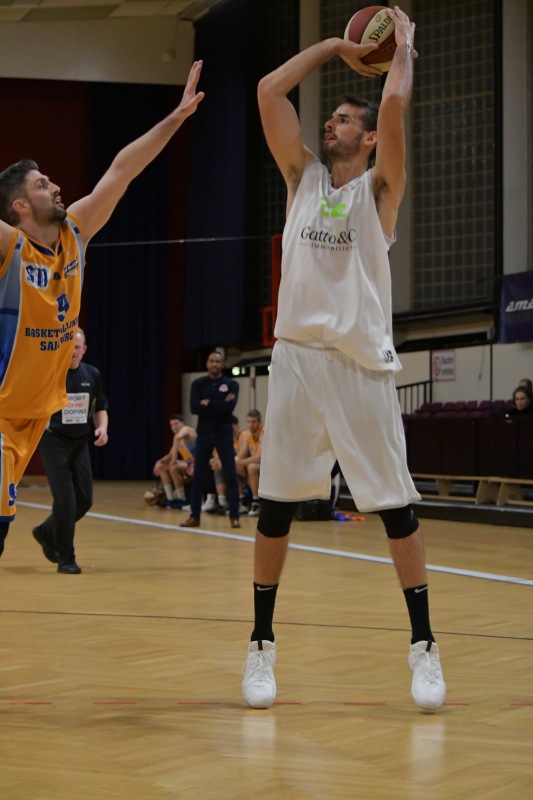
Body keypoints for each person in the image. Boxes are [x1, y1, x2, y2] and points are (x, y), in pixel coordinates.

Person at [241, 7, 446, 712]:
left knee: (395, 510)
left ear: (366, 138)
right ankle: (260, 645)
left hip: (361, 364)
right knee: (274, 507)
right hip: (298, 360)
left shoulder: (380, 189)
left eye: (342, 120)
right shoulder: (301, 176)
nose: (329, 125)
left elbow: (392, 106)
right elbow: (269, 91)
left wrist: (400, 49)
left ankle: (424, 648)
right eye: (327, 119)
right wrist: (336, 44)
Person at [0, 61, 204, 559]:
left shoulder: (76, 231)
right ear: (20, 207)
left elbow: (123, 169)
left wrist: (176, 118)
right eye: (42, 184)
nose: (55, 187)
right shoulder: (10, 246)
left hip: (35, 415)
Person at [32, 327, 108, 573]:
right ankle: (66, 558)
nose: (72, 351)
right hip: (53, 440)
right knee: (65, 500)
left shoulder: (92, 374)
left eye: (76, 347)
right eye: (68, 347)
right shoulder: (51, 374)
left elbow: (99, 407)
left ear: (83, 350)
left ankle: (46, 531)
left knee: (84, 500)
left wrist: (102, 429)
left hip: (79, 442)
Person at [181, 351, 242, 529]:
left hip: (224, 432)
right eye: (212, 361)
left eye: (218, 361)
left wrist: (209, 403)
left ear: (223, 364)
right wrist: (220, 403)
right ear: (207, 364)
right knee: (199, 474)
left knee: (230, 473)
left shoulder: (231, 384)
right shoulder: (198, 383)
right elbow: (194, 408)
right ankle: (194, 516)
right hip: (205, 432)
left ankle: (234, 516)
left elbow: (230, 407)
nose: (215, 364)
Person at [153, 414, 197, 509]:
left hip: (197, 463)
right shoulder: (177, 437)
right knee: (162, 467)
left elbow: (180, 435)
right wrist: (159, 461)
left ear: (183, 423)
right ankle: (170, 499)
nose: (174, 427)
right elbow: (170, 455)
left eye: (176, 424)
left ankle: (182, 499)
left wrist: (173, 460)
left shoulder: (187, 429)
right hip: (189, 464)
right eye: (171, 425)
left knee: (174, 466)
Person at [235, 409, 264, 516]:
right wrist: (233, 462)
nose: (250, 425)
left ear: (259, 422)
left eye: (253, 422)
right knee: (233, 467)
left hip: (269, 468)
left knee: (251, 467)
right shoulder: (249, 435)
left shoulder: (263, 432)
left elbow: (259, 458)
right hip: (257, 467)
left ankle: (257, 502)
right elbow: (240, 455)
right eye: (248, 422)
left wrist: (241, 462)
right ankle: (242, 502)